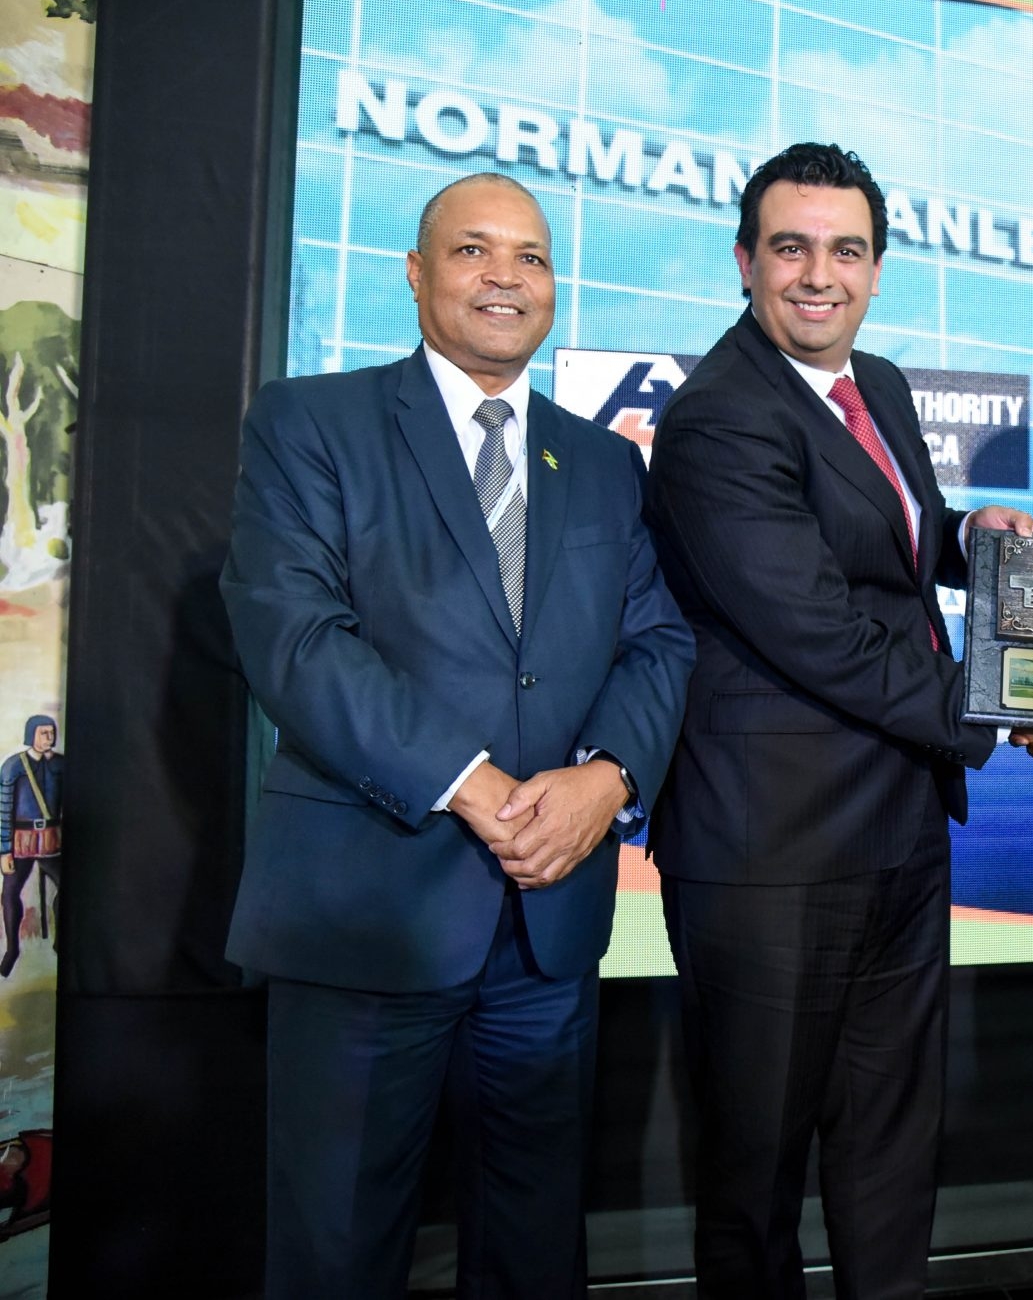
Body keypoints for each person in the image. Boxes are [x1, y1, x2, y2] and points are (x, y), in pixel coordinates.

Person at [220, 172, 695, 1300]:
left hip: (547, 922)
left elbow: (658, 643)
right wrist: (472, 784)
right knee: (336, 1252)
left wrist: (606, 779)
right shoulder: (310, 422)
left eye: (529, 257)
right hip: (366, 914)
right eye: (474, 251)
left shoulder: (604, 463)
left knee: (532, 1252)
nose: (504, 278)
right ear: (416, 273)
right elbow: (296, 638)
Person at [642, 141, 1033, 1299]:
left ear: (874, 267)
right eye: (791, 248)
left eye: (845, 250)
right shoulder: (719, 418)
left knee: (888, 1155)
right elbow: (815, 627)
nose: (818, 274)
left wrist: (971, 538)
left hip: (895, 834)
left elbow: (892, 537)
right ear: (744, 262)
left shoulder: (874, 384)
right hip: (768, 852)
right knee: (755, 1172)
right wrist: (1006, 705)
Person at [0, 714, 60, 978]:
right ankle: (12, 949)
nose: (49, 738)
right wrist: (4, 850)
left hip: (52, 841)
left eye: (51, 732)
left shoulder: (62, 764)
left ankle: (61, 943)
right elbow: (3, 809)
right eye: (43, 733)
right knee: (9, 893)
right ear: (31, 734)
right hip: (20, 841)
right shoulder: (13, 766)